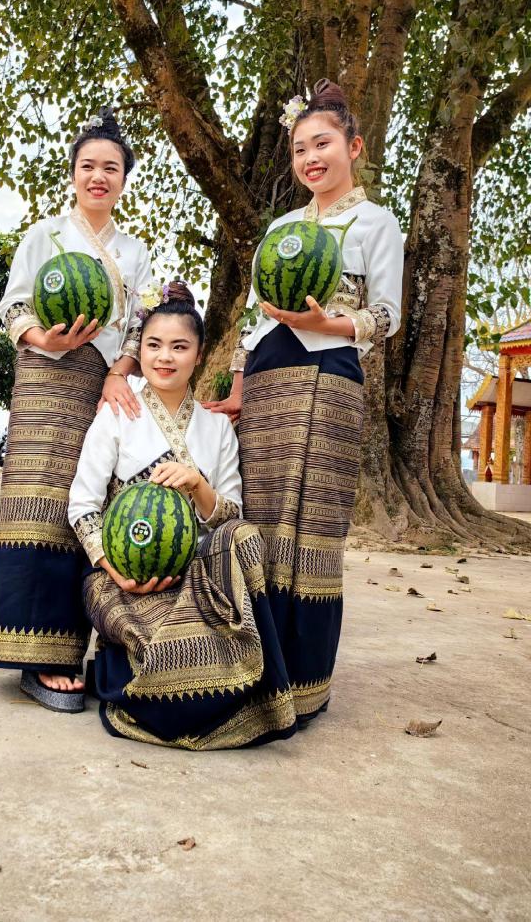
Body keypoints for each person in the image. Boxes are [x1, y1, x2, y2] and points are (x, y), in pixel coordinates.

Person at [205, 78, 404, 727]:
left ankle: (305, 683)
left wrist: (333, 326)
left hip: (330, 374)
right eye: (298, 149)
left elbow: (387, 315)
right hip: (267, 379)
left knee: (311, 527)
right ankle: (250, 667)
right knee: (260, 517)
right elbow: (253, 317)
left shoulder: (376, 222)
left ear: (354, 145)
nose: (310, 157)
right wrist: (236, 387)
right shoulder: (283, 228)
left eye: (322, 143)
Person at [69, 283, 298, 749]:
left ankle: (258, 686)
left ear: (199, 353)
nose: (164, 357)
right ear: (141, 350)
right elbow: (83, 505)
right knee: (166, 686)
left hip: (199, 579)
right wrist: (113, 568)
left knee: (244, 535)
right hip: (123, 579)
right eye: (153, 345)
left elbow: (233, 512)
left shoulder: (216, 427)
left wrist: (197, 484)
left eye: (179, 346)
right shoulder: (117, 414)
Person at [0, 107, 153, 713]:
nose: (98, 176)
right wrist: (43, 339)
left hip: (100, 387)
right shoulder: (44, 235)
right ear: (74, 173)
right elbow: (12, 306)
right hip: (43, 375)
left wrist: (116, 373)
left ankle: (74, 647)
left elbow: (140, 326)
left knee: (83, 506)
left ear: (124, 178)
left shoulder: (135, 252)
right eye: (89, 166)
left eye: (111, 167)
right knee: (35, 503)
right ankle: (34, 657)